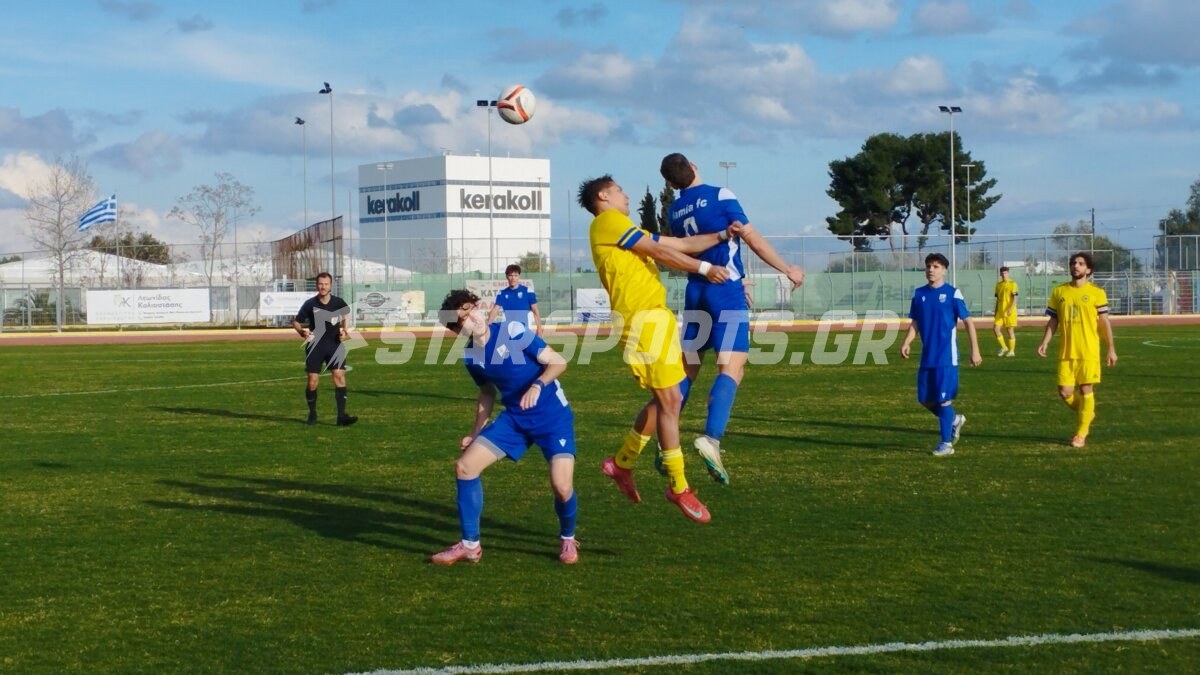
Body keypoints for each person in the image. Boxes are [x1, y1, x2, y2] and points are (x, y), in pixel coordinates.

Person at [577, 174, 733, 524]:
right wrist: (706, 268)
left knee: (669, 398)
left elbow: (676, 244)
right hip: (641, 321)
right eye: (620, 189)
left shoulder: (622, 227)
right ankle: (678, 486)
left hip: (655, 320)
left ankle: (622, 462)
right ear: (603, 196)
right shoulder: (607, 221)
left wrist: (723, 235)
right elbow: (661, 252)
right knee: (671, 401)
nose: (626, 194)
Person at [658, 152, 806, 485]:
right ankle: (710, 439)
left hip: (697, 289)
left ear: (670, 183)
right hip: (724, 290)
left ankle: (665, 441)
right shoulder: (720, 194)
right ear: (694, 167)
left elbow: (687, 249)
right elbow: (750, 238)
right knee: (732, 367)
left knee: (687, 370)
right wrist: (787, 269)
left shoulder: (674, 210)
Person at [431, 289, 579, 565]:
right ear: (457, 330)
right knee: (465, 467)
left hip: (552, 416)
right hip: (515, 418)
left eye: (472, 308)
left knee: (561, 486)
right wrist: (475, 433)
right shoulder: (471, 356)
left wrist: (537, 385)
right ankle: (470, 545)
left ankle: (568, 538)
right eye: (464, 318)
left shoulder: (512, 330)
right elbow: (487, 393)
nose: (473, 317)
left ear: (480, 307)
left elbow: (559, 362)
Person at [899, 253, 982, 456]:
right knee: (925, 399)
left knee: (944, 400)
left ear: (944, 270)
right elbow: (915, 323)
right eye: (928, 266)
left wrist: (975, 350)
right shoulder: (919, 295)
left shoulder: (953, 293)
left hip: (947, 357)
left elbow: (968, 322)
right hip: (927, 357)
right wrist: (907, 342)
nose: (931, 269)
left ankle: (946, 443)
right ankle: (953, 419)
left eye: (936, 266)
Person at [1036, 252, 1118, 448]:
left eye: (1081, 264)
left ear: (1088, 270)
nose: (1076, 266)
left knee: (1085, 389)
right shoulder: (1059, 292)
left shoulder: (1097, 293)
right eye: (1074, 263)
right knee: (1064, 392)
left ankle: (1081, 434)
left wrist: (1111, 349)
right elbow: (1053, 320)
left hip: (1088, 351)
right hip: (1066, 351)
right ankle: (1087, 411)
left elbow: (1104, 323)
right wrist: (1045, 341)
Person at [292, 271, 357, 427]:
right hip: (316, 346)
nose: (323, 287)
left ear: (330, 286)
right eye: (320, 284)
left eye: (326, 284)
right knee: (312, 381)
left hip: (334, 344)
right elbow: (296, 322)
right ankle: (312, 414)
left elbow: (346, 314)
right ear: (317, 285)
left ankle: (341, 417)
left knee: (339, 377)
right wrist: (301, 332)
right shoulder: (310, 304)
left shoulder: (338, 302)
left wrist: (344, 330)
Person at [487, 263, 543, 336]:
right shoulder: (502, 294)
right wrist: (487, 326)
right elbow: (495, 310)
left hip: (525, 331)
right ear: (507, 276)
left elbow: (535, 311)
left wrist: (539, 330)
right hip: (510, 331)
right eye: (510, 275)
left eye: (515, 275)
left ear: (519, 276)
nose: (513, 278)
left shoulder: (528, 291)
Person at [993, 266, 1019, 357]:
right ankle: (1004, 347)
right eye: (1002, 273)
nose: (1004, 275)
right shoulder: (998, 285)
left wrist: (1010, 309)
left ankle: (1012, 351)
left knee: (1009, 330)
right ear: (1000, 274)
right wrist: (996, 311)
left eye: (1005, 273)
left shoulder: (1013, 284)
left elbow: (1015, 299)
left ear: (1008, 273)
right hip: (1000, 312)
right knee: (995, 328)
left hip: (1009, 312)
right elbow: (997, 299)